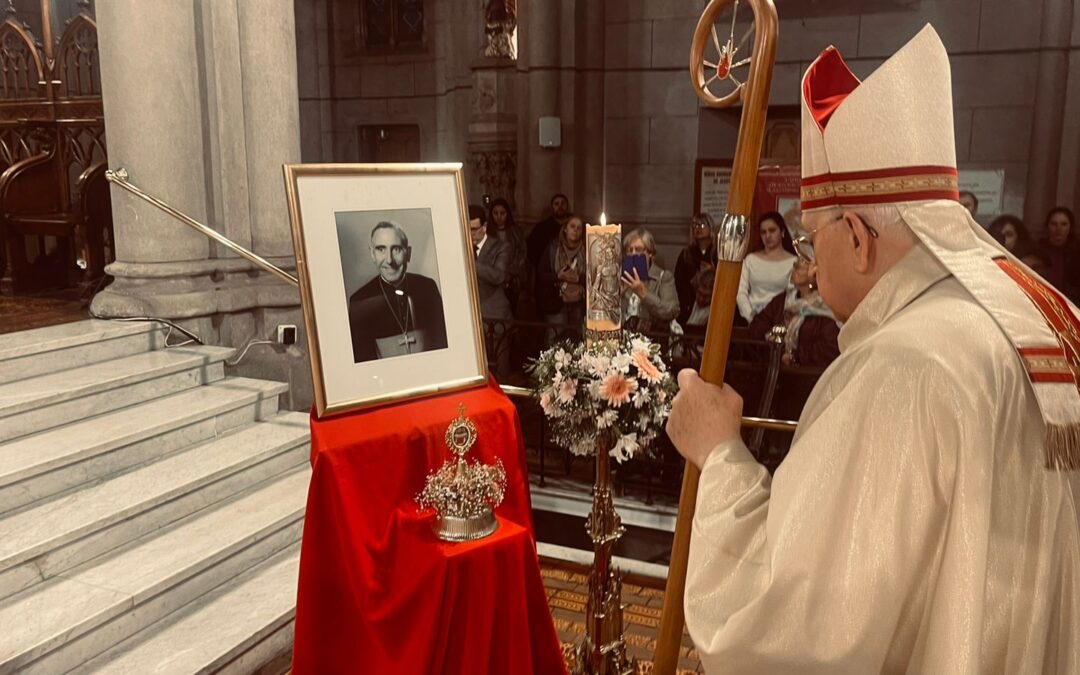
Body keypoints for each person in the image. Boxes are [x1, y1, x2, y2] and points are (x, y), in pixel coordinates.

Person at [668, 26, 1079, 673]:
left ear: (856, 235)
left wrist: (719, 455)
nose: (807, 261)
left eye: (810, 241)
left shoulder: (904, 365)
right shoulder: (1047, 313)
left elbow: (792, 627)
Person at [348, 221, 448, 363]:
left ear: (408, 253)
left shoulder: (427, 288)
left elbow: (443, 345)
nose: (389, 260)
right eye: (381, 249)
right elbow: (364, 364)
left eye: (396, 249)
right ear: (372, 254)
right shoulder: (359, 301)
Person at [748, 258, 840, 368]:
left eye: (798, 267)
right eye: (794, 266)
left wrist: (795, 356)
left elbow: (830, 348)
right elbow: (757, 323)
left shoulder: (826, 305)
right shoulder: (782, 301)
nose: (792, 270)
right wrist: (770, 335)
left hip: (807, 375)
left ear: (814, 273)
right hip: (775, 369)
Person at [468, 204, 512, 378]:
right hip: (471, 320)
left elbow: (499, 276)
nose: (469, 234)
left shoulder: (501, 247)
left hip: (495, 318)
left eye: (473, 229)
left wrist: (470, 260)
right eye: (466, 229)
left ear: (484, 227)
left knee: (500, 372)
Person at [735, 212, 797, 323]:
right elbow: (740, 292)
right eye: (763, 232)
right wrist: (751, 318)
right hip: (751, 318)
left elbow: (792, 295)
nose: (767, 236)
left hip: (780, 319)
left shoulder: (793, 262)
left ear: (782, 232)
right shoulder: (750, 260)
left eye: (772, 231)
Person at [535, 214, 585, 340]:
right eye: (572, 226)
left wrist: (579, 278)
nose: (576, 230)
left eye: (579, 228)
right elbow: (541, 275)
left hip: (579, 302)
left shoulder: (587, 250)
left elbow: (594, 277)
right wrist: (559, 276)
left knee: (578, 339)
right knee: (554, 338)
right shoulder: (553, 249)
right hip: (556, 301)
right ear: (565, 229)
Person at [621, 227, 680, 334]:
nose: (633, 254)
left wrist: (644, 294)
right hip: (624, 341)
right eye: (629, 250)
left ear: (650, 253)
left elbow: (672, 311)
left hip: (653, 343)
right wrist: (617, 297)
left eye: (638, 249)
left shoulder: (663, 277)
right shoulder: (622, 278)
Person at [675, 214, 718, 326]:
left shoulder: (718, 253)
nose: (697, 228)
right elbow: (679, 281)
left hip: (712, 303)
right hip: (691, 302)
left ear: (711, 228)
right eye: (694, 226)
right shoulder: (686, 254)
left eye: (702, 225)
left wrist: (713, 271)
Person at [487, 198, 529, 315]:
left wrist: (511, 271)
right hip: (491, 279)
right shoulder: (487, 233)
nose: (499, 217)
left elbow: (522, 253)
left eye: (502, 213)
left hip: (512, 278)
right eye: (495, 213)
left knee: (511, 309)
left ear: (507, 214)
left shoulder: (515, 232)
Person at [1038, 206, 1080, 303]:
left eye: (1064, 224)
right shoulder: (1038, 252)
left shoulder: (1076, 254)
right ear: (1047, 226)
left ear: (1070, 227)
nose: (1058, 229)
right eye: (1054, 224)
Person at [526, 193, 570, 268]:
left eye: (563, 203)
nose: (560, 207)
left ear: (567, 206)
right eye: (556, 204)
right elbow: (531, 249)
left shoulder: (574, 224)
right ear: (552, 207)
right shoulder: (542, 227)